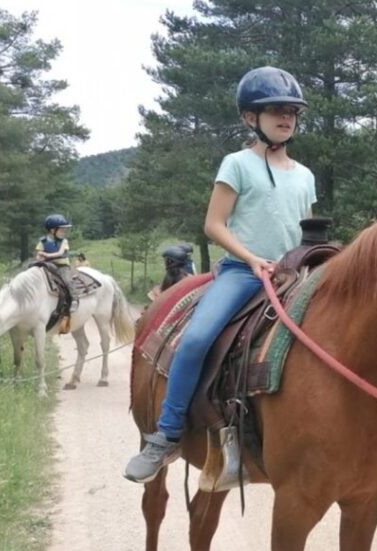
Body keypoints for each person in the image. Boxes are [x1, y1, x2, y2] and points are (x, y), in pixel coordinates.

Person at [124, 66, 317, 483]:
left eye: (292, 111)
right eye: (275, 111)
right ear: (251, 118)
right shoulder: (237, 164)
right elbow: (214, 224)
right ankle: (167, 433)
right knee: (195, 340)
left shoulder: (304, 176)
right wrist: (251, 259)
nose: (286, 118)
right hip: (242, 273)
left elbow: (307, 228)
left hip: (292, 274)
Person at [35, 213, 74, 287]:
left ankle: (74, 296)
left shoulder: (64, 241)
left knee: (68, 281)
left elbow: (60, 253)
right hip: (47, 265)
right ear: (53, 230)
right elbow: (38, 253)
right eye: (62, 230)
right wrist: (39, 258)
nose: (64, 232)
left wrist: (46, 255)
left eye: (65, 230)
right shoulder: (43, 241)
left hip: (61, 266)